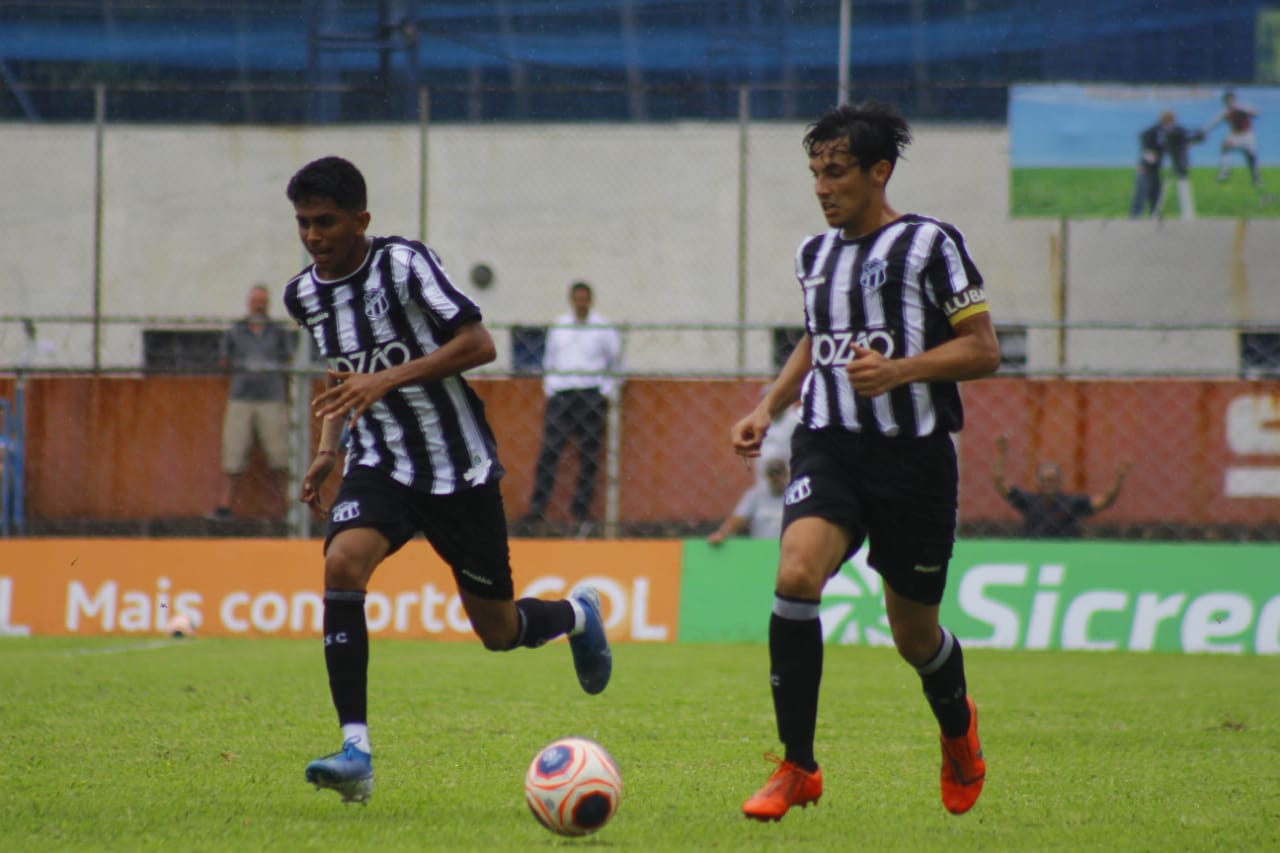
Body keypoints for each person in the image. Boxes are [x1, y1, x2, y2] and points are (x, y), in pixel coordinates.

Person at [280, 156, 612, 804]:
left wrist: (387, 377)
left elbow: (479, 344)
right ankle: (357, 750)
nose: (314, 236)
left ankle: (578, 613)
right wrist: (328, 446)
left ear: (360, 220)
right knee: (342, 563)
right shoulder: (305, 294)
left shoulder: (405, 264)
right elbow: (341, 371)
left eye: (326, 222)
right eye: (303, 224)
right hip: (380, 462)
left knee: (498, 630)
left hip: (457, 466)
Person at [728, 100, 1001, 822]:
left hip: (913, 460)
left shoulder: (931, 245)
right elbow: (817, 339)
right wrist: (769, 406)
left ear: (879, 171)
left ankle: (957, 731)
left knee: (915, 636)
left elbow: (984, 350)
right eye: (816, 171)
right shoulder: (812, 255)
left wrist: (902, 370)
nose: (823, 186)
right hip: (831, 444)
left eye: (838, 171)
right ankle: (797, 765)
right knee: (794, 572)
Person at [521, 281, 623, 537]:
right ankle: (537, 509)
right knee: (549, 451)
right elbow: (549, 361)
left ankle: (581, 513)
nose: (581, 303)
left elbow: (617, 364)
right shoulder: (559, 326)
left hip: (591, 396)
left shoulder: (603, 328)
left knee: (589, 455)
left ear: (591, 300)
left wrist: (606, 391)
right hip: (562, 396)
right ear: (571, 300)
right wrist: (552, 389)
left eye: (584, 299)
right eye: (577, 298)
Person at [208, 283, 293, 521]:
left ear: (268, 304)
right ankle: (225, 506)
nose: (259, 304)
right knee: (233, 454)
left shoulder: (278, 331)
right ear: (249, 302)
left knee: (280, 455)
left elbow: (289, 360)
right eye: (256, 300)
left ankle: (288, 507)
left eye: (263, 300)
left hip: (272, 399)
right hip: (241, 398)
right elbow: (224, 361)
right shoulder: (236, 331)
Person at [992, 434, 1132, 538]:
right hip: (1033, 553)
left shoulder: (1072, 503)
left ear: (1060, 481)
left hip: (1065, 555)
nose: (1049, 484)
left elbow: (1105, 501)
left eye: (1053, 479)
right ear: (1038, 482)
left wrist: (1118, 478)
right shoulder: (1029, 501)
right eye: (1045, 480)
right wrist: (1002, 453)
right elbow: (999, 483)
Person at [707, 456, 789, 545]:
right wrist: (722, 534)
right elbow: (738, 519)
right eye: (772, 476)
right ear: (767, 477)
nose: (777, 479)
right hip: (762, 549)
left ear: (786, 474)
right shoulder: (755, 495)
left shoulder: (794, 494)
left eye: (780, 474)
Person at [1204, 91, 1261, 189]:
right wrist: (1204, 130)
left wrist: (1246, 111)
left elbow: (1256, 113)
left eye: (1230, 99)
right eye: (1226, 100)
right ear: (1224, 101)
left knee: (1251, 158)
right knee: (1224, 146)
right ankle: (1225, 172)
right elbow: (1214, 123)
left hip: (1247, 136)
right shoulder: (1225, 113)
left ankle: (1256, 179)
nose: (1229, 102)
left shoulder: (1243, 108)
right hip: (1235, 136)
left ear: (1234, 100)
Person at [1129, 111, 1172, 220]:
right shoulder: (1154, 131)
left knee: (1155, 193)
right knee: (1142, 193)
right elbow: (1145, 146)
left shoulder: (1163, 132)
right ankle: (1135, 217)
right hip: (1146, 168)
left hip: (1155, 168)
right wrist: (1149, 158)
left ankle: (1154, 214)